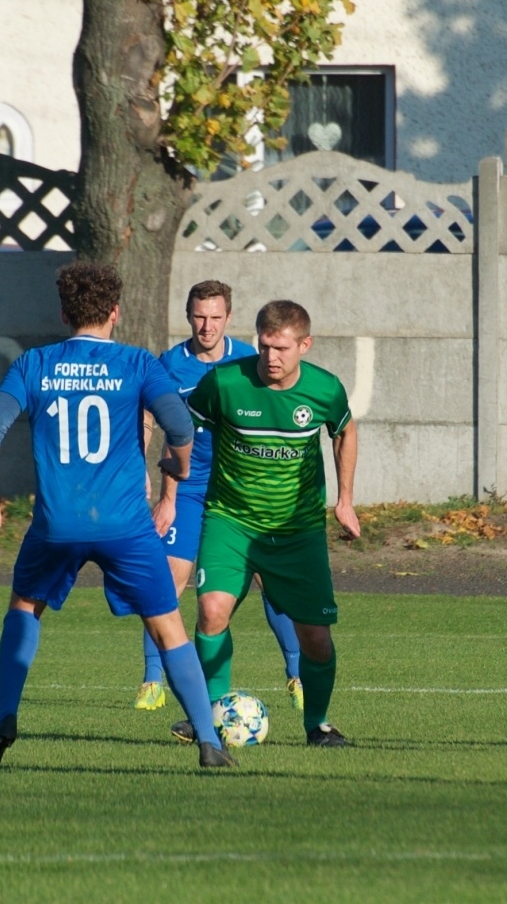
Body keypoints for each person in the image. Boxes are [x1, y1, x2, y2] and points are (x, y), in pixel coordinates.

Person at [0, 263, 234, 770]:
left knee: (25, 607)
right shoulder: (138, 364)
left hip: (56, 524)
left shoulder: (35, 364)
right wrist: (177, 463)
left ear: (65, 313)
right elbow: (179, 423)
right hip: (126, 525)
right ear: (116, 312)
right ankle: (207, 741)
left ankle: (5, 715)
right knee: (168, 627)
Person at [169, 300, 360, 747]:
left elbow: (345, 431)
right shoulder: (224, 382)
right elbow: (183, 425)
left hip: (298, 532)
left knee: (315, 637)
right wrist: (172, 480)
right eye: (264, 345)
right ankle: (209, 720)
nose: (270, 357)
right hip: (230, 521)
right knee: (212, 611)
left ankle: (318, 725)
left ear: (304, 346)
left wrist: (345, 500)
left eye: (281, 348)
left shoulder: (324, 390)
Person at [133, 280, 304, 714]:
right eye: (198, 317)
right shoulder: (170, 365)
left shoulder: (251, 360)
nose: (206, 326)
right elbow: (150, 418)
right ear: (188, 316)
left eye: (215, 317)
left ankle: (297, 674)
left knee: (273, 581)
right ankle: (153, 679)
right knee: (168, 577)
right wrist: (150, 478)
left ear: (228, 318)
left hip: (238, 487)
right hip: (187, 488)